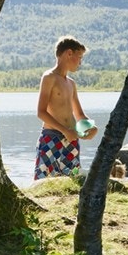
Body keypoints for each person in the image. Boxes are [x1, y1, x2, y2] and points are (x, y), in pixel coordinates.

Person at [36, 36, 98, 179]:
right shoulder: (49, 77)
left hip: (72, 140)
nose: (81, 62)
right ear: (69, 53)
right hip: (51, 138)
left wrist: (91, 127)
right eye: (80, 57)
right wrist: (64, 130)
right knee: (44, 181)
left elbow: (79, 115)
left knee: (72, 181)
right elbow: (41, 112)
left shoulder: (71, 83)